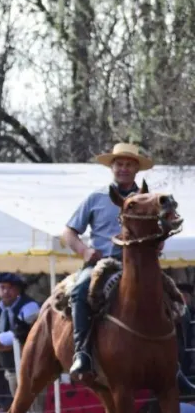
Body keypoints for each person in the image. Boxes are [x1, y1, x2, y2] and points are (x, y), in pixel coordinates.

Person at [61, 142, 152, 381]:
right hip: (101, 263)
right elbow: (68, 232)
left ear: (136, 169)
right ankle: (82, 354)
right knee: (80, 291)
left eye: (128, 165)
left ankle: (175, 366)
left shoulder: (147, 199)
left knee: (174, 301)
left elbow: (159, 231)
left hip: (138, 265)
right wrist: (84, 251)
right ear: (112, 167)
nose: (123, 169)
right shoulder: (96, 198)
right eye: (119, 164)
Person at [0, 273, 40, 373]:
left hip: (31, 368)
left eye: (10, 288)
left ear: (18, 289)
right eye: (2, 287)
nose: (6, 291)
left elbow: (19, 334)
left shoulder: (30, 306)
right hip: (7, 369)